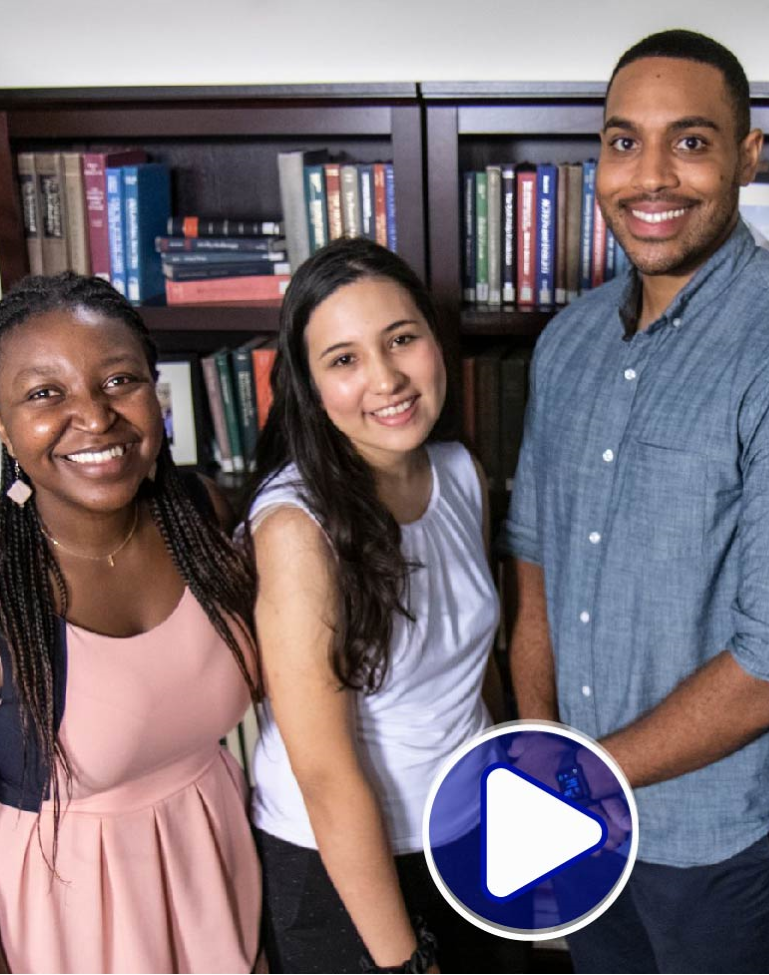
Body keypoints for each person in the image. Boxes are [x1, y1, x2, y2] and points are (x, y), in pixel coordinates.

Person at [502, 28, 769, 973]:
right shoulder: (567, 343)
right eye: (624, 142)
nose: (651, 175)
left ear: (748, 157)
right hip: (581, 817)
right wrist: (548, 759)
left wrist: (583, 778)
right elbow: (536, 566)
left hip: (720, 845)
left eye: (691, 141)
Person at [0, 274, 263, 972]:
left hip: (211, 889)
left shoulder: (200, 514)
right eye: (44, 394)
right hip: (52, 939)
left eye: (118, 380)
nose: (94, 416)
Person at [245, 237, 523, 973]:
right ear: (309, 386)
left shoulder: (459, 471)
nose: (386, 378)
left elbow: (474, 668)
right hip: (346, 868)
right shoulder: (295, 529)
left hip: (468, 835)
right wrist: (403, 962)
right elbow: (324, 772)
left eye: (401, 339)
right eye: (344, 359)